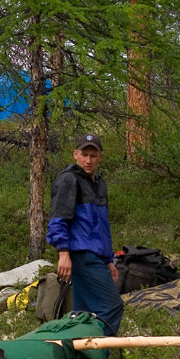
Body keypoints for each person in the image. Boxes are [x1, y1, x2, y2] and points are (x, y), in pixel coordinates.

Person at [46, 134, 124, 335]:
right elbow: (58, 219)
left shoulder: (99, 184)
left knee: (83, 314)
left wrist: (108, 259)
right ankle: (96, 357)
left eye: (93, 155)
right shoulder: (68, 180)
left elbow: (100, 227)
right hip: (81, 256)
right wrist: (63, 252)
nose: (88, 160)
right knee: (112, 306)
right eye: (84, 154)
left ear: (100, 157)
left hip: (96, 256)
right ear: (75, 155)